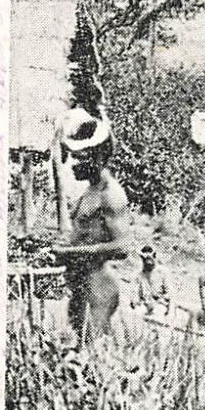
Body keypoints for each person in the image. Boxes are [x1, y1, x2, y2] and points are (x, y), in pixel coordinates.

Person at [51, 108, 133, 346]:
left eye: (80, 156)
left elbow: (122, 246)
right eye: (71, 155)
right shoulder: (90, 191)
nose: (73, 163)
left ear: (98, 156)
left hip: (99, 288)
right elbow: (86, 234)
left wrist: (70, 252)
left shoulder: (111, 194)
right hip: (81, 286)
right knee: (77, 356)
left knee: (95, 357)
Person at [133, 244, 171, 319]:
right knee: (136, 314)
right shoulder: (139, 275)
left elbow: (169, 293)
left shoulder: (163, 272)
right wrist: (135, 302)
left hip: (159, 305)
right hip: (145, 305)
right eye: (145, 260)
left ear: (154, 257)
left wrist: (163, 302)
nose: (148, 264)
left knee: (158, 313)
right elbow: (135, 294)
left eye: (150, 259)